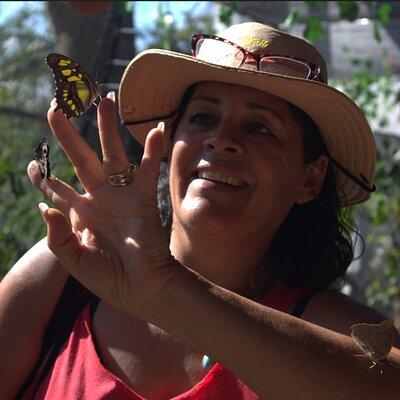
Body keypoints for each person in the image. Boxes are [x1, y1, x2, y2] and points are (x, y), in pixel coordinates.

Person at [1, 21, 399, 400]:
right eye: (203, 117)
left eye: (260, 127)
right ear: (170, 145)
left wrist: (164, 289)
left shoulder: (349, 334)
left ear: (309, 179)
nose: (221, 139)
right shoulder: (70, 265)